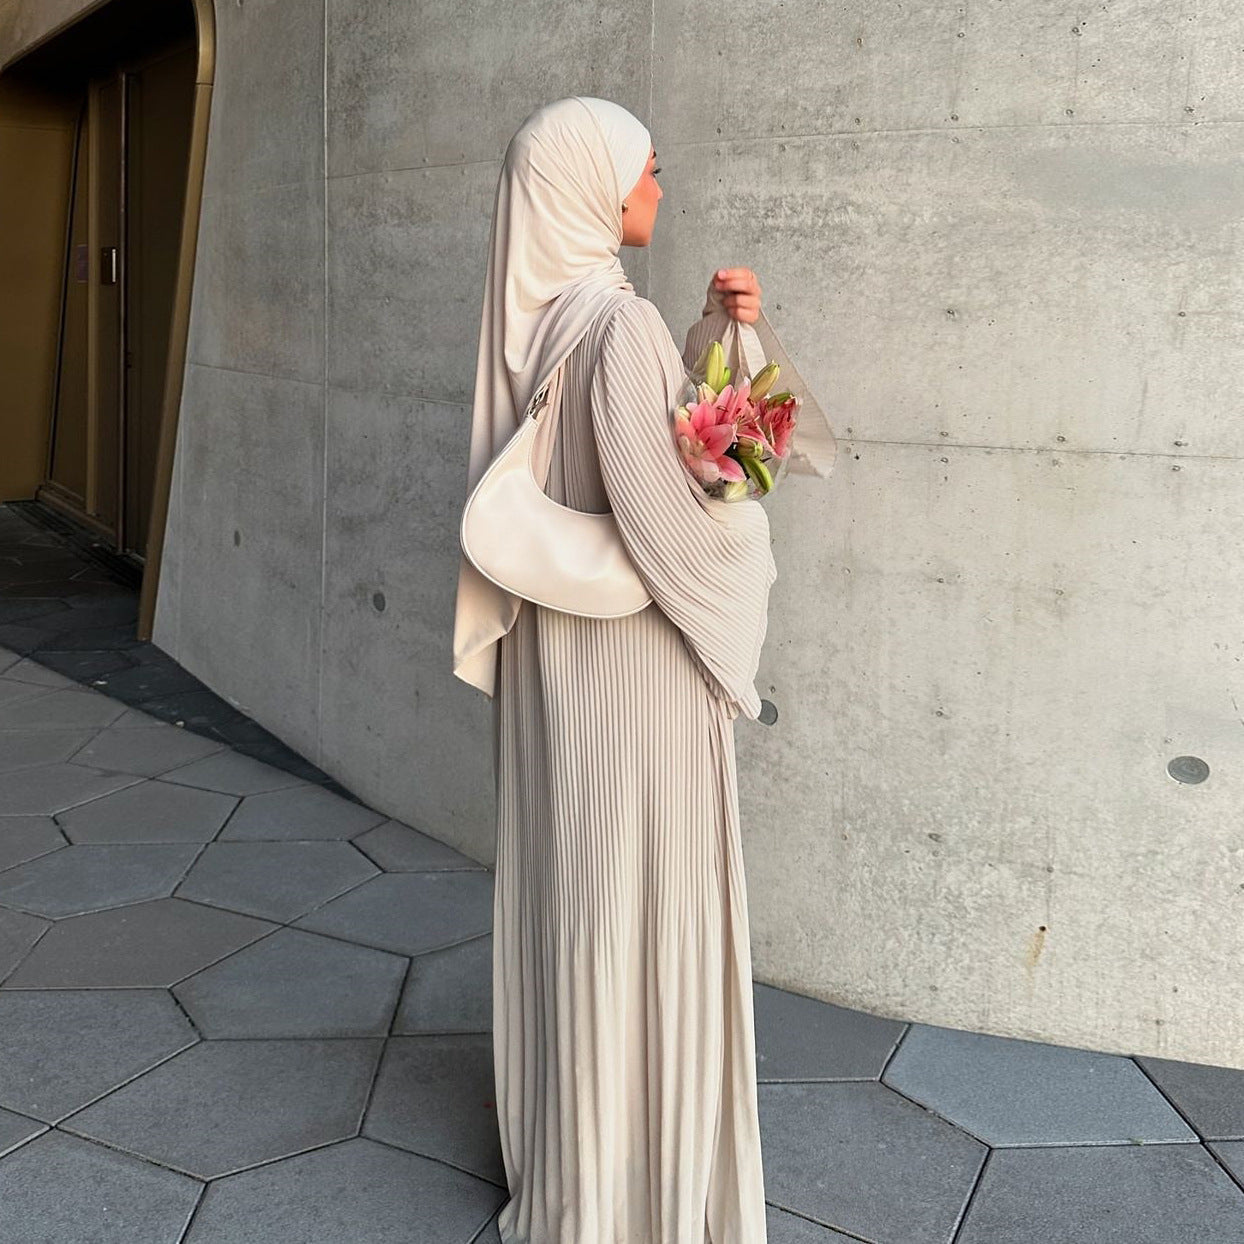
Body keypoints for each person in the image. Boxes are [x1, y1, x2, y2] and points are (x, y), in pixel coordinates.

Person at [453, 95, 776, 1243]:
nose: (658, 172)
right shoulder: (613, 324)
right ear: (591, 186)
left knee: (580, 891)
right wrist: (749, 539)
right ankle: (642, 1181)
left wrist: (717, 341)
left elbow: (624, 453)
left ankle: (576, 1146)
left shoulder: (534, 318)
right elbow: (675, 519)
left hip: (561, 661)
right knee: (642, 898)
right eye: (642, 160)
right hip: (634, 674)